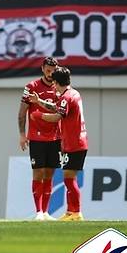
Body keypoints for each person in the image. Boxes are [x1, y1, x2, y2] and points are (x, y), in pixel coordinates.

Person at [29, 67, 88, 222]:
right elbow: (58, 108)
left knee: (69, 177)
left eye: (53, 81)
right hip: (76, 141)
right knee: (69, 177)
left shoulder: (66, 97)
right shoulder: (73, 94)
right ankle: (71, 211)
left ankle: (76, 212)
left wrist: (39, 115)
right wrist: (39, 102)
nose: (52, 85)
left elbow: (56, 117)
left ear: (56, 82)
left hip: (74, 143)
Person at [18, 57, 60, 221]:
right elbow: (22, 113)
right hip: (36, 137)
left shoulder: (60, 87)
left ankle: (47, 212)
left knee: (50, 173)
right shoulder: (31, 87)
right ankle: (39, 212)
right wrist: (22, 134)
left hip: (55, 137)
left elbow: (60, 110)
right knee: (38, 172)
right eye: (48, 70)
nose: (51, 73)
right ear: (42, 68)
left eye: (53, 70)